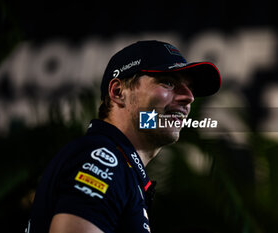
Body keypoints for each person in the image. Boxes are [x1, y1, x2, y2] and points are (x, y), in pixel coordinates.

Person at [26, 40, 221, 233]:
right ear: (118, 92)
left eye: (190, 89)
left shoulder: (120, 167)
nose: (189, 97)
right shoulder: (103, 159)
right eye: (168, 82)